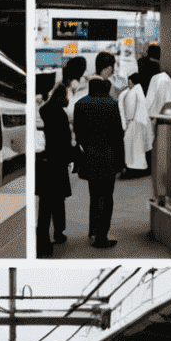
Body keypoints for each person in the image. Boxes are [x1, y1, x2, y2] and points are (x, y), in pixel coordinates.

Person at [72, 69, 125, 249]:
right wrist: (120, 161)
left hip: (89, 156)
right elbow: (118, 135)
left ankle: (93, 230)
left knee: (94, 196)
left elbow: (78, 134)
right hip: (108, 156)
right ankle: (102, 237)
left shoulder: (80, 104)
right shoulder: (111, 104)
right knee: (107, 197)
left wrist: (87, 148)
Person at [36, 75, 73, 258]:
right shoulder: (61, 114)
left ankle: (42, 240)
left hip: (43, 164)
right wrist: (70, 159)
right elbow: (66, 141)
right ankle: (59, 233)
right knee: (58, 201)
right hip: (57, 164)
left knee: (45, 204)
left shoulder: (42, 111)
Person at [118, 69, 154, 178]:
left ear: (131, 81)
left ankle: (133, 171)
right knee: (140, 150)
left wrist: (126, 123)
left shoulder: (132, 92)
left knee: (133, 151)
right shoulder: (140, 90)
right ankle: (141, 170)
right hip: (142, 123)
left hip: (135, 124)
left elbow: (130, 109)